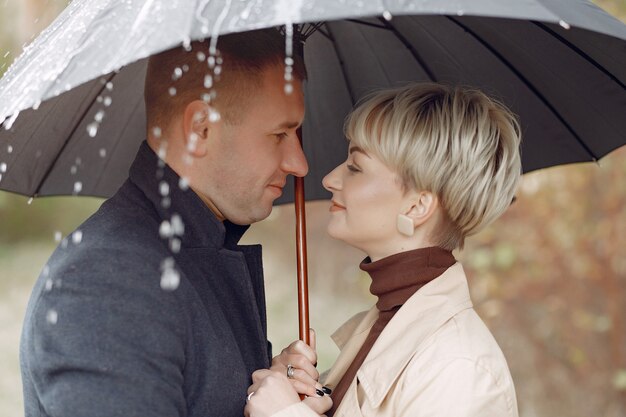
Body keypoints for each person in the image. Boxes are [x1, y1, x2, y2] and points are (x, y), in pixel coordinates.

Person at [20, 28, 327, 417]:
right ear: (201, 129)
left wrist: (272, 388)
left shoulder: (194, 252)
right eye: (280, 134)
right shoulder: (108, 285)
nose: (299, 164)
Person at [245, 82, 521, 417]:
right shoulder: (383, 324)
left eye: (355, 167)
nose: (329, 179)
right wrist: (291, 396)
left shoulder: (460, 368)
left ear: (417, 206)